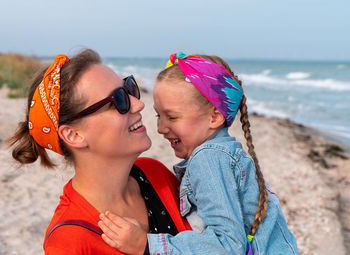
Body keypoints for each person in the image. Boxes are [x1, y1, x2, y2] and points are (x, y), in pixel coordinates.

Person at [98, 52, 299, 254]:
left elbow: (228, 245)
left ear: (215, 117)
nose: (160, 127)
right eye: (159, 115)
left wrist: (147, 245)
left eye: (172, 117)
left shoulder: (208, 159)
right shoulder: (221, 155)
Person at [8, 49, 191, 255]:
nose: (139, 104)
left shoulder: (154, 173)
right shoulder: (69, 243)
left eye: (130, 88)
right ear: (73, 135)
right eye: (119, 100)